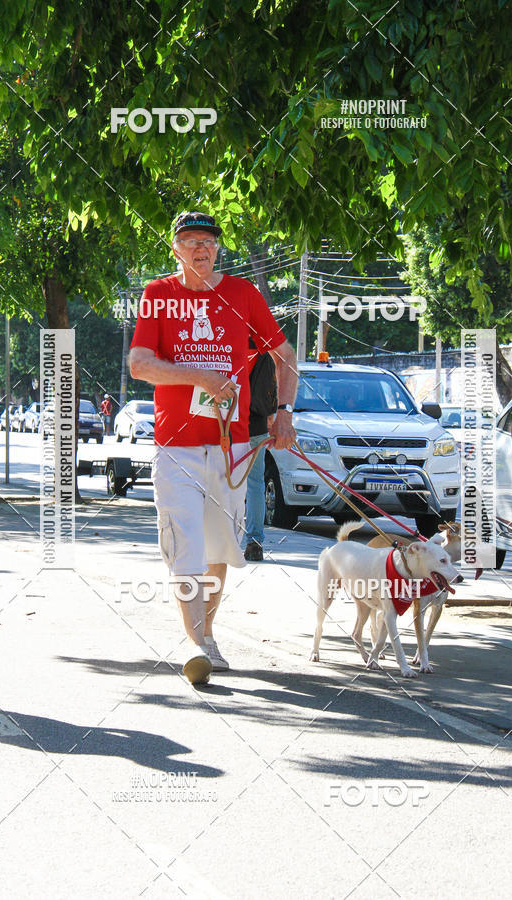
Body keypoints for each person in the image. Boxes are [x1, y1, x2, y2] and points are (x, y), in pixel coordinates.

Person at [129, 211, 298, 684]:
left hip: (232, 447)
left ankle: (205, 635)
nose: (200, 248)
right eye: (189, 241)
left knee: (220, 548)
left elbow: (284, 354)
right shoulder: (158, 296)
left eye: (208, 241)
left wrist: (284, 411)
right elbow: (141, 363)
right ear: (175, 249)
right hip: (176, 447)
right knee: (185, 546)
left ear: (218, 249)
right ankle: (199, 644)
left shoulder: (243, 294)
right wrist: (200, 376)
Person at [242, 342, 277, 562]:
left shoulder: (225, 345)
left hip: (225, 425)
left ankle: (220, 538)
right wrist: (271, 422)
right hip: (256, 426)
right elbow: (270, 392)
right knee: (255, 484)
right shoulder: (266, 353)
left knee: (222, 480)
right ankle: (254, 543)